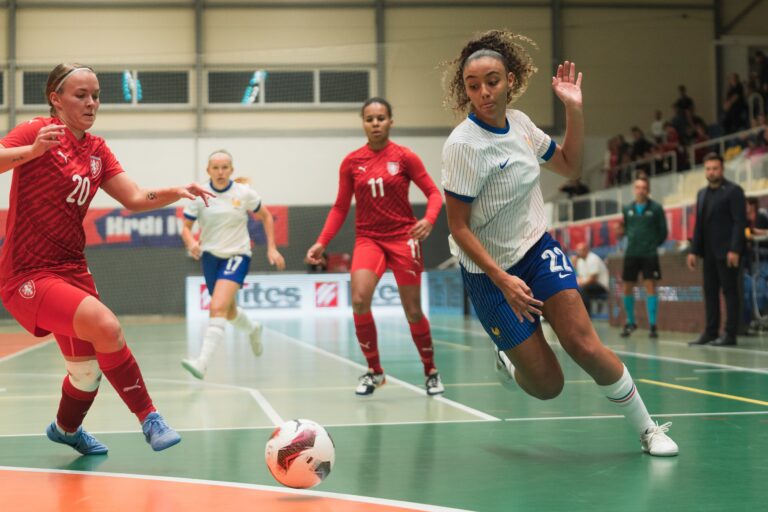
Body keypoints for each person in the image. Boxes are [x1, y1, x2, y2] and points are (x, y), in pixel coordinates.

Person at [441, 30, 677, 456]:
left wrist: (574, 111)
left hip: (535, 250)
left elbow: (570, 166)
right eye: (473, 86)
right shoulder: (462, 146)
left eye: (492, 81)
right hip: (488, 274)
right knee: (549, 385)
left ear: (510, 79)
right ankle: (509, 359)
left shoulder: (523, 126)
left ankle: (648, 429)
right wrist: (502, 280)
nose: (483, 93)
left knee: (583, 343)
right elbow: (458, 228)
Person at [0, 63, 215, 454]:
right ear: (56, 99)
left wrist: (177, 189)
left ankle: (66, 429)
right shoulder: (37, 131)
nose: (91, 102)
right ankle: (150, 417)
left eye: (96, 95)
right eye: (80, 95)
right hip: (28, 273)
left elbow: (134, 198)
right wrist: (31, 152)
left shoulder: (96, 150)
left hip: (72, 270)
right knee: (107, 327)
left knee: (85, 374)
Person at [306, 97, 445, 396]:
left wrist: (430, 220)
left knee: (412, 310)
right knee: (358, 299)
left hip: (403, 239)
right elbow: (341, 207)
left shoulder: (406, 157)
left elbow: (434, 193)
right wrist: (321, 242)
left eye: (381, 118)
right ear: (363, 123)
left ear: (391, 121)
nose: (376, 123)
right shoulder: (352, 162)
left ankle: (430, 370)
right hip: (368, 239)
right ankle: (375, 371)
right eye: (370, 118)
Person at [179, 150, 286, 379]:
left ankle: (202, 363)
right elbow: (186, 229)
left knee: (217, 307)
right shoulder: (199, 196)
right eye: (215, 168)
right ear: (208, 170)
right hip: (210, 257)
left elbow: (266, 216)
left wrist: (272, 247)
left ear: (231, 170)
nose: (220, 172)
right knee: (228, 312)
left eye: (225, 167)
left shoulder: (244, 193)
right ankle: (253, 329)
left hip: (237, 255)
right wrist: (191, 243)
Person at [687, 153, 746, 346]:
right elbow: (699, 225)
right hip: (709, 253)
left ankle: (730, 333)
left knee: (730, 292)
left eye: (715, 168)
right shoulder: (701, 194)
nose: (711, 172)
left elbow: (739, 222)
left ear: (722, 169)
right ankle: (711, 332)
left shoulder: (733, 191)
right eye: (708, 169)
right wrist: (693, 250)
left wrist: (735, 249)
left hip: (727, 252)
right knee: (710, 292)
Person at [616, 178, 668, 339]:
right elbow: (625, 229)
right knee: (627, 287)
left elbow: (663, 231)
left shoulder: (656, 208)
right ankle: (631, 322)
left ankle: (652, 325)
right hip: (631, 253)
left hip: (649, 254)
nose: (641, 190)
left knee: (650, 286)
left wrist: (652, 244)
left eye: (644, 187)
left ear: (648, 189)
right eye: (638, 187)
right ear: (634, 189)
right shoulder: (627, 209)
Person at [574, 243, 609, 315]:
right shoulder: (580, 261)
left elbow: (593, 279)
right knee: (575, 289)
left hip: (601, 285)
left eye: (580, 250)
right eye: (577, 250)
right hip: (588, 284)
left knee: (582, 289)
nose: (578, 252)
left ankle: (587, 315)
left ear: (586, 250)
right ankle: (578, 314)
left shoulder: (593, 258)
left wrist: (580, 284)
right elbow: (580, 277)